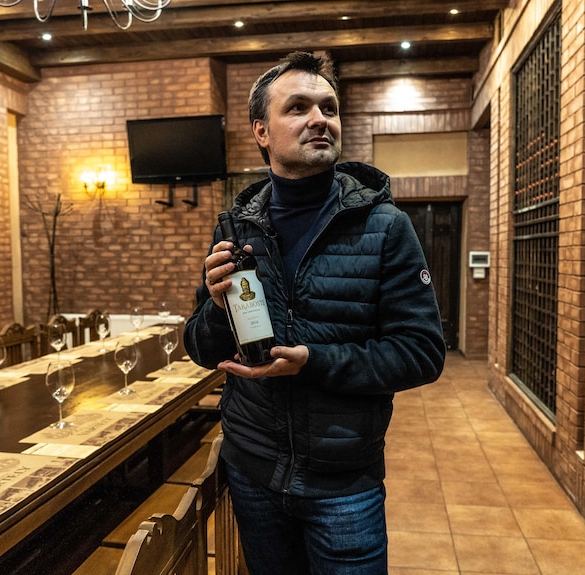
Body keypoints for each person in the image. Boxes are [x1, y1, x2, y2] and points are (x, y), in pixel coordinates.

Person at [184, 51, 446, 575]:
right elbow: (199, 347)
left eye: (328, 107)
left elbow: (422, 353)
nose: (319, 118)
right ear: (262, 131)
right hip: (253, 469)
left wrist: (314, 360)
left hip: (343, 481)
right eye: (298, 107)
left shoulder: (385, 226)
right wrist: (215, 311)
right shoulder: (236, 227)